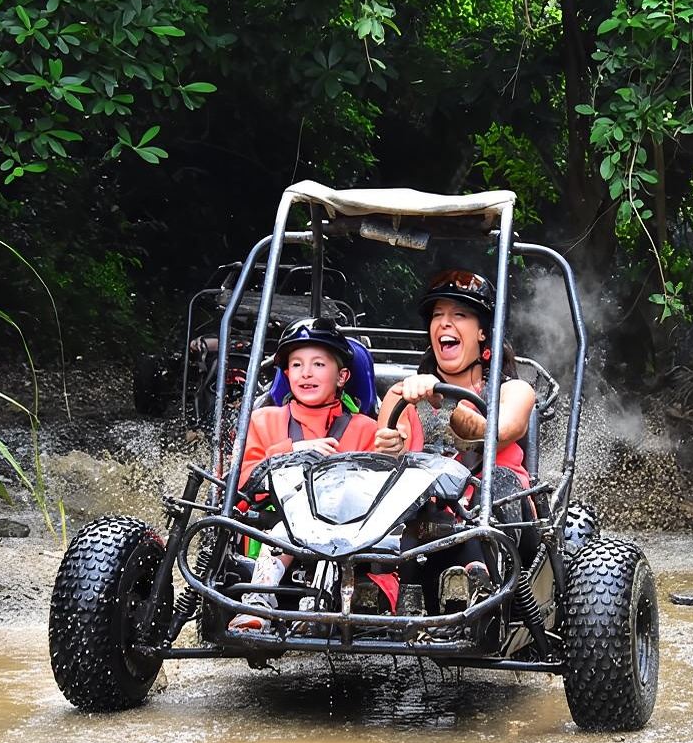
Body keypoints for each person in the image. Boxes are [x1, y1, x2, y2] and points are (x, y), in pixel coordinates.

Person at [373, 269, 537, 612]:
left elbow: (506, 428)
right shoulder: (402, 396)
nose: (445, 323)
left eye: (459, 315)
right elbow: (386, 457)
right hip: (423, 531)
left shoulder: (513, 391)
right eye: (438, 316)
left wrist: (475, 425)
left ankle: (481, 575)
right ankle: (376, 589)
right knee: (398, 488)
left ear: (481, 333)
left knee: (501, 480)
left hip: (503, 524)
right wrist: (394, 450)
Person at [229, 317, 378, 631]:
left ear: (342, 376)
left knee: (337, 535)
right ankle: (258, 602)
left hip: (346, 533)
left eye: (319, 364)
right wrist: (292, 449)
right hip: (279, 524)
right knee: (283, 532)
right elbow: (242, 485)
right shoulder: (264, 421)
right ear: (286, 374)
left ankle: (319, 604)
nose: (306, 372)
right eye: (296, 365)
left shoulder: (365, 429)